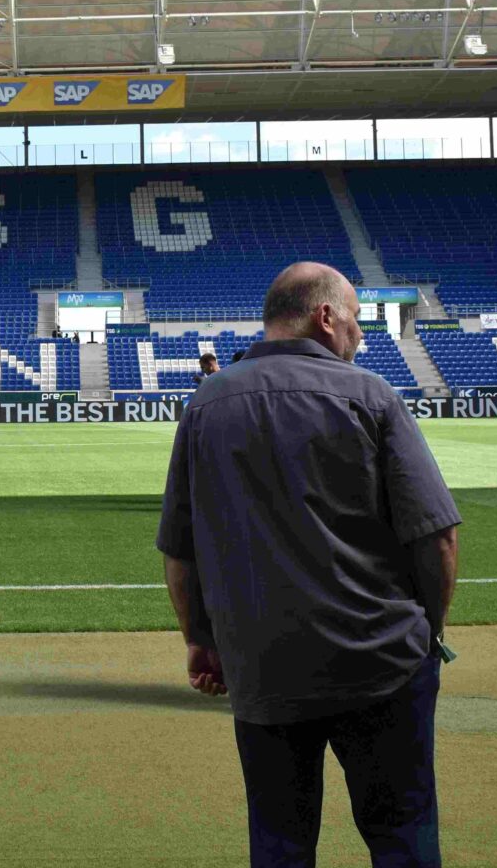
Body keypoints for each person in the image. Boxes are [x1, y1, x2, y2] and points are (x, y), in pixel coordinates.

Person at [157, 262, 460, 867]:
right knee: (402, 832)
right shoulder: (370, 393)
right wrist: (430, 630)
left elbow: (179, 552)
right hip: (380, 660)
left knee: (280, 841)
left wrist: (200, 640)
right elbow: (437, 537)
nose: (359, 337)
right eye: (354, 320)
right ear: (325, 316)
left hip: (263, 667)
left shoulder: (205, 405)